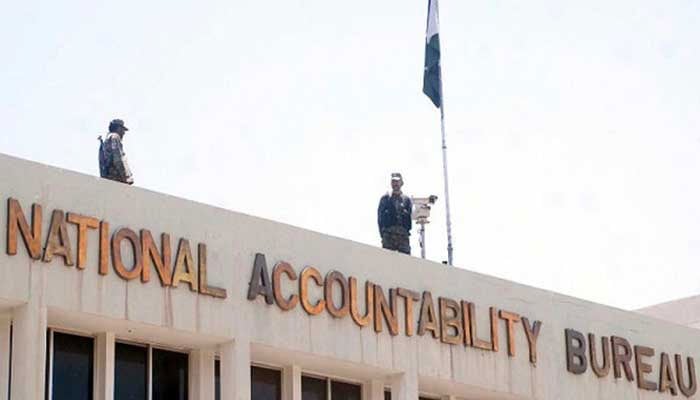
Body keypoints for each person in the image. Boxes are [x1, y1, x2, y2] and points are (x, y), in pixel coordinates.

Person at [377, 173, 412, 255]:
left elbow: (409, 218)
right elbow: (380, 218)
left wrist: (406, 232)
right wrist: (383, 234)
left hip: (402, 235)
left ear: (401, 183)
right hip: (388, 235)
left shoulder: (406, 200)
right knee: (387, 261)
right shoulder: (385, 198)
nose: (395, 183)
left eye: (397, 181)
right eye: (393, 181)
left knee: (406, 262)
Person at [99, 119, 134, 185]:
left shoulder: (107, 139)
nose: (124, 133)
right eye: (123, 130)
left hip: (108, 177)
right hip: (116, 177)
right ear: (118, 128)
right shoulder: (115, 137)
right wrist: (125, 177)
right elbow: (118, 159)